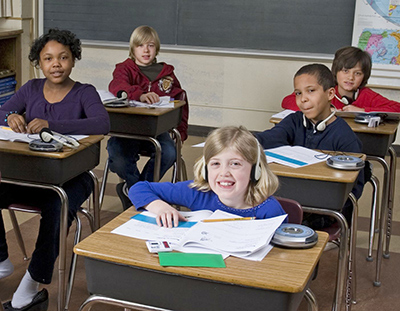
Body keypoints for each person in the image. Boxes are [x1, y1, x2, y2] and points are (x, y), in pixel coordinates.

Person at [0, 29, 110, 311]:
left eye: (63, 57)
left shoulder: (84, 93)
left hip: (72, 178)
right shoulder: (31, 89)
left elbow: (101, 124)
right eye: (48, 58)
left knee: (56, 207)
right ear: (39, 62)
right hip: (32, 174)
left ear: (74, 60)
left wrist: (53, 125)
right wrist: (11, 115)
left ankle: (32, 284)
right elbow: (1, 113)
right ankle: (1, 260)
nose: (56, 64)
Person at [257, 63, 364, 229]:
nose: (303, 99)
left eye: (311, 91)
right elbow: (268, 138)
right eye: (298, 93)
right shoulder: (294, 121)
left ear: (330, 94)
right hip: (291, 199)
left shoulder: (344, 136)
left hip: (324, 211)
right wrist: (240, 138)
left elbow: (353, 186)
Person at [129, 126, 285, 228]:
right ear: (205, 169)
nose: (224, 172)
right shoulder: (198, 192)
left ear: (255, 170)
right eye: (215, 164)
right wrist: (161, 208)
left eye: (235, 164)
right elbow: (139, 188)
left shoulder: (269, 210)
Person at [107, 25, 189, 210]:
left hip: (157, 130)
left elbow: (180, 101)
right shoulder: (124, 69)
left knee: (169, 153)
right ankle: (142, 194)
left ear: (156, 48)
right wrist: (139, 94)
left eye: (150, 45)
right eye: (140, 45)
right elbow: (117, 85)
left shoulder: (166, 73)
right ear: (133, 48)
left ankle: (136, 191)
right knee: (117, 155)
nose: (145, 50)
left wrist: (181, 133)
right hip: (128, 131)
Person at [281, 46, 400, 112]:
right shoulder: (325, 90)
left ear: (364, 76)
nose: (351, 77)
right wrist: (323, 110)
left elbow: (397, 108)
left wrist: (362, 111)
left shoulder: (366, 95)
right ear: (336, 71)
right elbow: (287, 101)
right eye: (345, 71)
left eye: (357, 73)